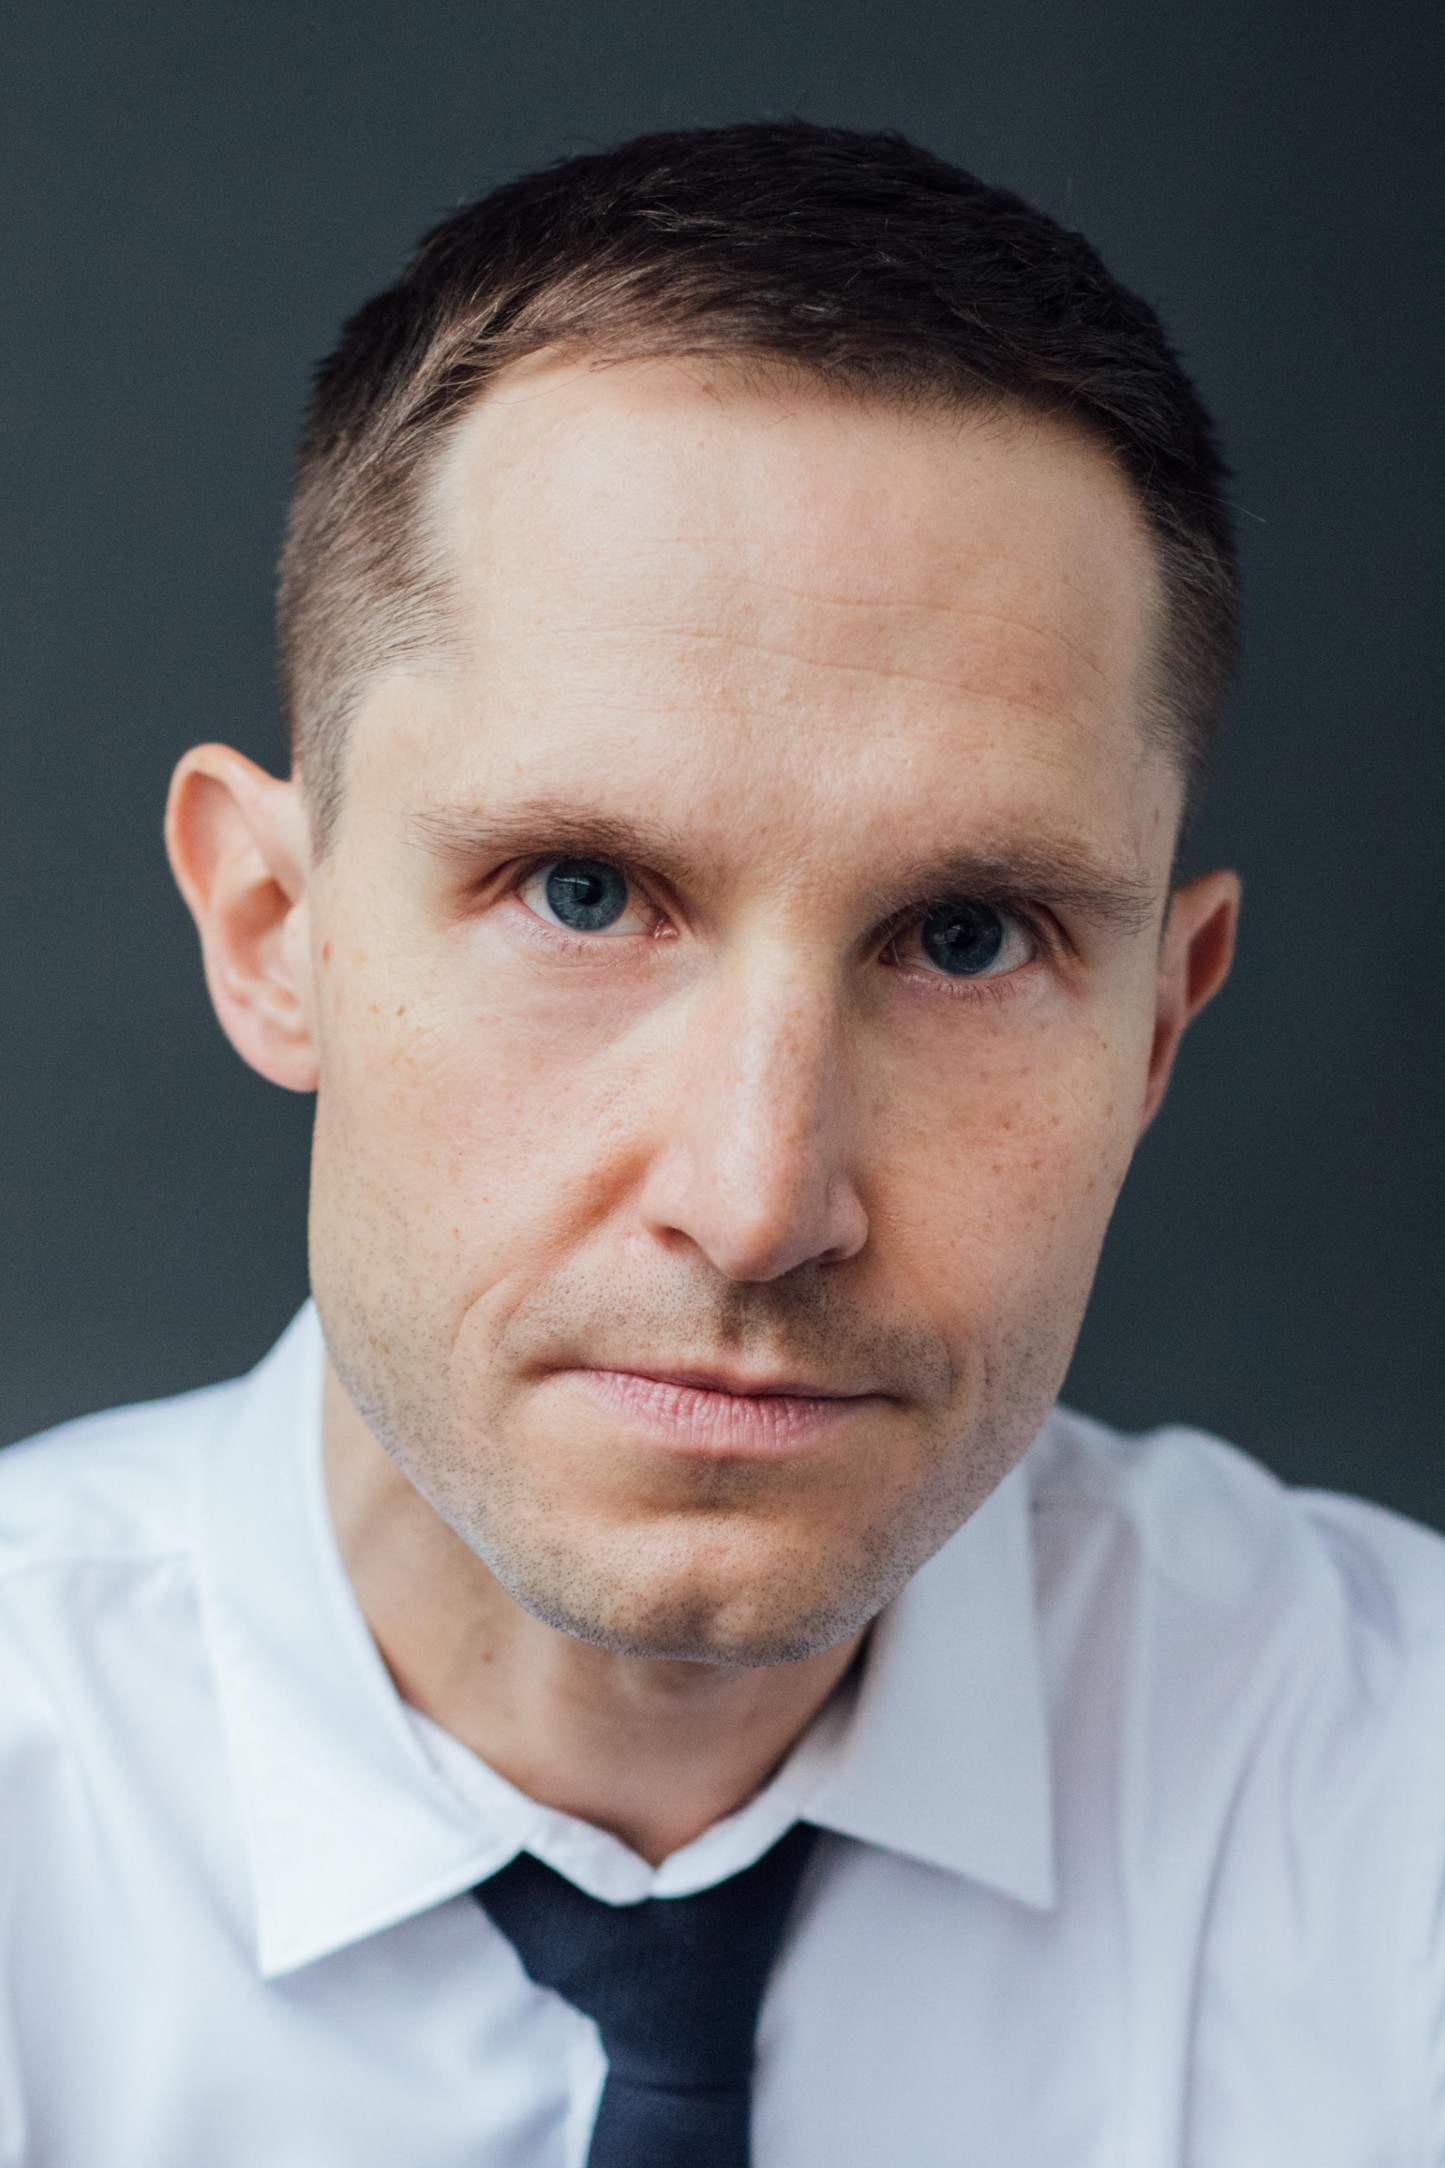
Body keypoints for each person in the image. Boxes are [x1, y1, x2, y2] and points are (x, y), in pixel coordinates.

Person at [2, 118, 1441, 2168]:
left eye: (967, 937)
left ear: (1154, 1029)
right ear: (272, 929)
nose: (760, 1203)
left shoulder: (1392, 1819)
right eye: (582, 894)